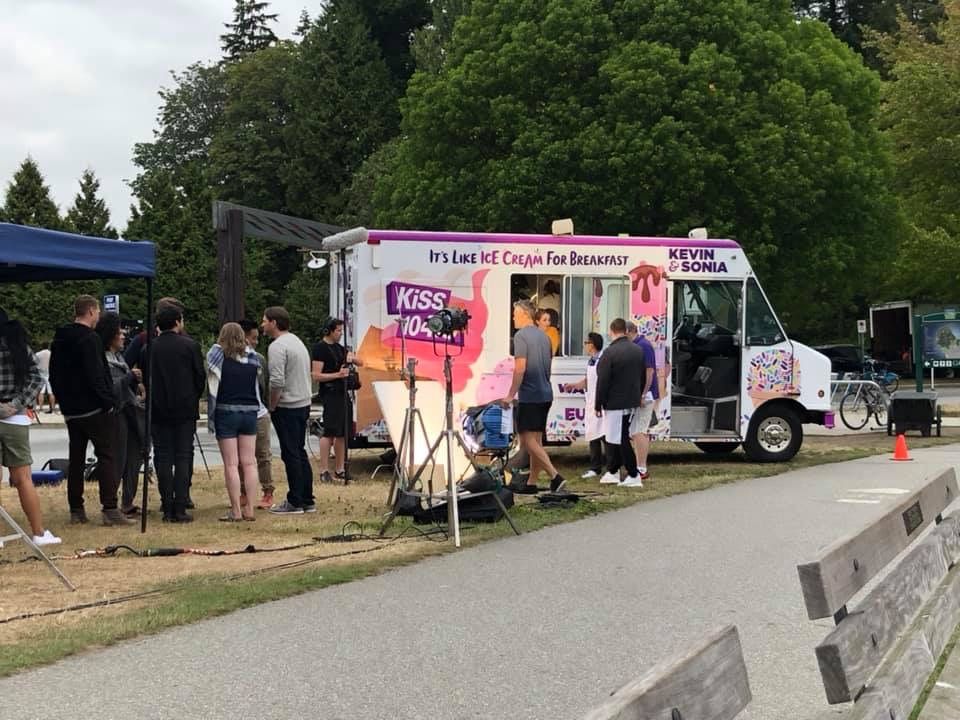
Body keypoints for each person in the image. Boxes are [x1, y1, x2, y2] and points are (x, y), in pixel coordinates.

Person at [50, 295, 131, 525]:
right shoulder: (90, 340)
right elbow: (97, 374)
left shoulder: (60, 339)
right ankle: (110, 508)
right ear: (92, 311)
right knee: (107, 455)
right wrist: (107, 401)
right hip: (93, 408)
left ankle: (76, 508)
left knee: (76, 458)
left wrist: (64, 401)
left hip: (71, 409)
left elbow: (55, 375)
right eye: (97, 312)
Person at [0, 310, 60, 546]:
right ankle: (38, 532)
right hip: (15, 419)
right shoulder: (17, 347)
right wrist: (16, 405)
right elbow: (36, 379)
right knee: (23, 478)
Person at [145, 305, 205, 523]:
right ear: (178, 322)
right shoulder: (190, 346)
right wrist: (192, 397)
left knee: (162, 457)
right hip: (185, 409)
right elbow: (200, 378)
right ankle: (180, 505)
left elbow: (146, 379)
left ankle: (166, 504)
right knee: (183, 456)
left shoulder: (149, 348)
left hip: (159, 409)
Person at [501, 300, 565, 494]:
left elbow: (520, 368)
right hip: (546, 392)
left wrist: (511, 394)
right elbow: (548, 365)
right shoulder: (544, 337)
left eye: (515, 313)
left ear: (524, 314)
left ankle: (555, 476)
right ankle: (532, 482)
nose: (513, 317)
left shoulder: (521, 336)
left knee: (527, 439)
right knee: (536, 440)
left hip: (530, 394)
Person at [262, 306, 314, 515]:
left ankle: (295, 501)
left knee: (290, 452)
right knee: (299, 451)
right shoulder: (296, 341)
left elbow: (276, 380)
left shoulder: (277, 347)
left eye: (265, 321)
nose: (262, 325)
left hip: (288, 405)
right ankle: (307, 498)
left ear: (274, 322)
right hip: (303, 402)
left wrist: (272, 405)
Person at [207, 323, 260, 522]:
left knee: (231, 464)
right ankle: (250, 509)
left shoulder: (218, 356)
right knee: (249, 462)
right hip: (250, 412)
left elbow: (212, 359)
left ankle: (236, 510)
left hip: (226, 411)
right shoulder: (253, 358)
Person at [96, 313, 144, 517]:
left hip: (130, 410)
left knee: (135, 454)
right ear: (110, 336)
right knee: (119, 457)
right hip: (117, 413)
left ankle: (127, 500)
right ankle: (111, 503)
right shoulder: (103, 360)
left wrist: (134, 381)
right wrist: (129, 377)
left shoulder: (119, 358)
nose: (124, 336)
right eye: (119, 332)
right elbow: (111, 388)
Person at [596, 318, 648, 488]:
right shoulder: (637, 350)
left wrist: (598, 403)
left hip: (614, 402)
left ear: (612, 331)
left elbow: (603, 380)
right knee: (618, 436)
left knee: (618, 438)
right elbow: (642, 376)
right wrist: (638, 395)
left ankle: (633, 473)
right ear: (625, 330)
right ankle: (613, 470)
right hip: (630, 400)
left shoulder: (610, 353)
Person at [311, 317, 363, 484]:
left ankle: (340, 469)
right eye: (338, 331)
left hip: (343, 394)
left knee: (343, 433)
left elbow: (361, 362)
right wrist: (337, 375)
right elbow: (316, 375)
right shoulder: (320, 349)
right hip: (330, 394)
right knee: (330, 432)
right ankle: (324, 469)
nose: (341, 334)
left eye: (342, 330)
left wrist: (353, 359)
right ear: (329, 331)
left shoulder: (341, 349)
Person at [238, 319, 274, 509]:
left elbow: (265, 385)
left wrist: (267, 406)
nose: (255, 342)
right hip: (239, 413)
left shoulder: (258, 359)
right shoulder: (228, 357)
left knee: (262, 454)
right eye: (253, 338)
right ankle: (243, 491)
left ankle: (268, 491)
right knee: (239, 457)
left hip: (258, 412)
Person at [562, 332, 605, 478]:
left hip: (599, 402)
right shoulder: (591, 361)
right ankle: (595, 467)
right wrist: (574, 385)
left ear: (592, 345)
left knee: (604, 435)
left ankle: (612, 466)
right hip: (591, 401)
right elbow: (588, 381)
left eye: (586, 343)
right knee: (593, 434)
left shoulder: (601, 360)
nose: (584, 345)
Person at [626, 320, 658, 480]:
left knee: (638, 431)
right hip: (642, 394)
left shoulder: (643, 346)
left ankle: (642, 467)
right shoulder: (639, 344)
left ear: (629, 332)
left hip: (646, 395)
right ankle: (640, 465)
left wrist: (643, 393)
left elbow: (650, 371)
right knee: (637, 430)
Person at [34, 342, 55, 413]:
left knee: (41, 392)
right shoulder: (52, 354)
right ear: (48, 346)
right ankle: (52, 408)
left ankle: (40, 408)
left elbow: (35, 364)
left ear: (41, 346)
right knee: (51, 392)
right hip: (50, 373)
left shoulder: (38, 354)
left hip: (41, 374)